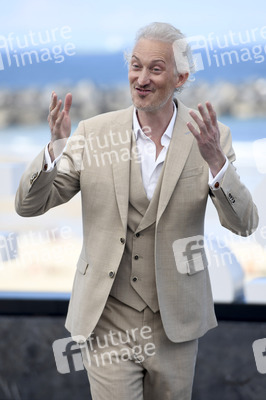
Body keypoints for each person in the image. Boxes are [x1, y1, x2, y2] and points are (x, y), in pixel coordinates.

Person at [15, 22, 258, 400]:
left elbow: (244, 224)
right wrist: (53, 152)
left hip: (175, 321)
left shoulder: (213, 137)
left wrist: (215, 163)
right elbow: (29, 205)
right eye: (135, 65)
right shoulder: (93, 134)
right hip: (107, 318)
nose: (141, 79)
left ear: (181, 77)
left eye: (155, 69)